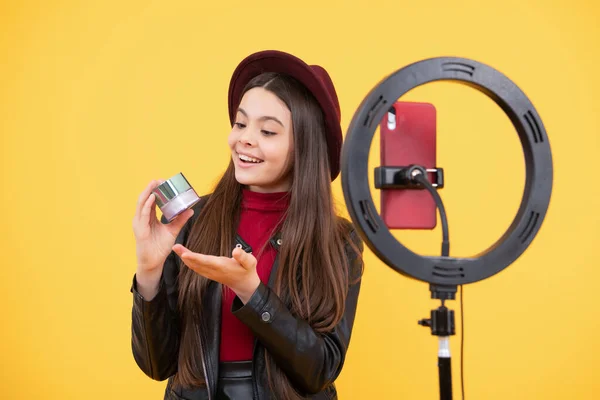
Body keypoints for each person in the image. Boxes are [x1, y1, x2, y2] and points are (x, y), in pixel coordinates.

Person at [130, 49, 364, 400]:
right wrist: (149, 274)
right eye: (241, 123)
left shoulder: (338, 240)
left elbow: (321, 369)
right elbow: (156, 365)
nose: (244, 138)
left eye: (267, 131)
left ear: (305, 147)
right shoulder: (193, 220)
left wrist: (253, 294)